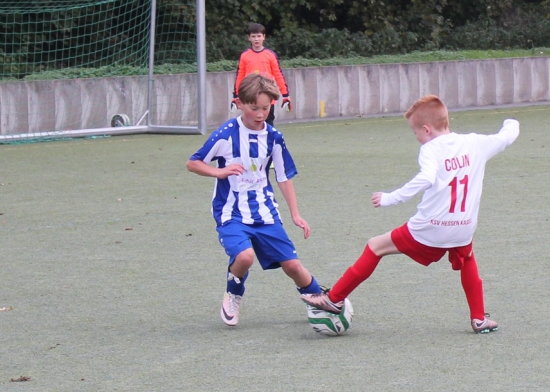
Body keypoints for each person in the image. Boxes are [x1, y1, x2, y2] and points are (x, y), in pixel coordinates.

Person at [303, 95, 519, 333]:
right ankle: (479, 318)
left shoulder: (430, 149)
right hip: (463, 226)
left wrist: (391, 197)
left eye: (415, 132)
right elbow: (506, 136)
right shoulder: (475, 143)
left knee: (375, 246)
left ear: (426, 129)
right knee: (467, 258)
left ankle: (334, 299)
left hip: (430, 227)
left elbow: (426, 178)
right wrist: (511, 122)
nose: (416, 137)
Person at [188, 73, 323, 326]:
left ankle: (320, 299)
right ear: (239, 103)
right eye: (254, 108)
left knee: (293, 266)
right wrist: (219, 172)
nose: (260, 114)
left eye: (265, 108)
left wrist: (295, 214)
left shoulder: (274, 137)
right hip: (231, 213)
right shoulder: (226, 134)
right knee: (245, 257)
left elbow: (283, 177)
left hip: (265, 212)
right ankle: (233, 292)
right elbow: (193, 163)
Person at [233, 23, 290, 126]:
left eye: (259, 36)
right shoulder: (245, 55)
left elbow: (278, 75)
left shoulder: (270, 55)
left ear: (264, 37)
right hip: (250, 96)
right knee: (250, 123)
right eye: (253, 36)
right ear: (249, 38)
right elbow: (240, 76)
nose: (256, 39)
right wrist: (236, 96)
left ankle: (268, 137)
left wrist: (285, 95)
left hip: (267, 96)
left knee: (268, 124)